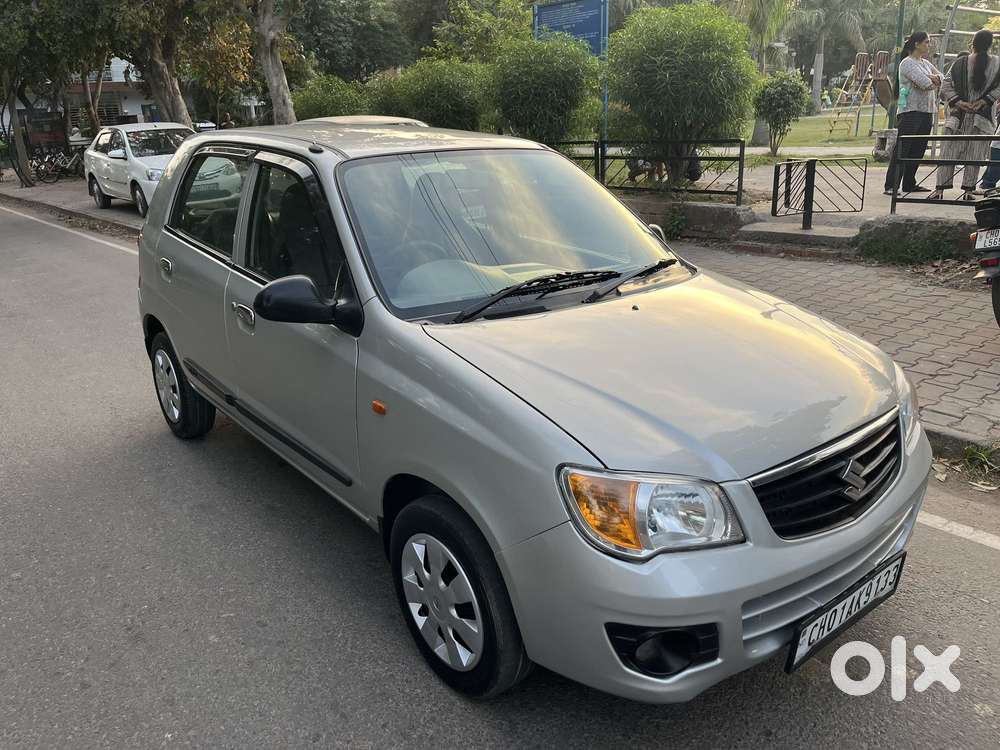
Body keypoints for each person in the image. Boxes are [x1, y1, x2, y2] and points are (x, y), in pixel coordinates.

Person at [930, 29, 1000, 201]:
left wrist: (960, 102)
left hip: (957, 117)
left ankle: (939, 190)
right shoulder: (998, 63)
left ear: (973, 43)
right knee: (975, 155)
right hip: (982, 118)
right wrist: (984, 101)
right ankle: (968, 191)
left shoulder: (960, 62)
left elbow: (945, 86)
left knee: (948, 152)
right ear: (990, 44)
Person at [884, 31, 942, 196]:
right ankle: (891, 185)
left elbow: (943, 78)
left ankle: (909, 183)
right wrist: (933, 80)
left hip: (927, 111)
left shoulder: (925, 63)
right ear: (916, 44)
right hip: (910, 111)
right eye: (926, 42)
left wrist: (933, 78)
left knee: (918, 148)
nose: (928, 45)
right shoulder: (907, 63)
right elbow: (925, 84)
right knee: (904, 148)